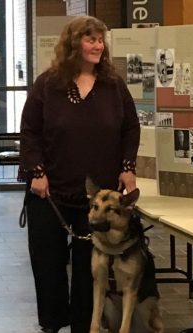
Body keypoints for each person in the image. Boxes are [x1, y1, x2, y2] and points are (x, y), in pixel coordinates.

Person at [18, 16, 139, 333]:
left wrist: (128, 168)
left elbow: (130, 128)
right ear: (74, 44)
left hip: (98, 200)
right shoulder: (47, 84)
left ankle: (86, 326)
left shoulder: (114, 85)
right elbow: (29, 133)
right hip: (50, 193)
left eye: (101, 39)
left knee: (91, 269)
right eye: (91, 39)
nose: (98, 45)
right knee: (48, 264)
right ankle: (53, 323)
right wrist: (37, 172)